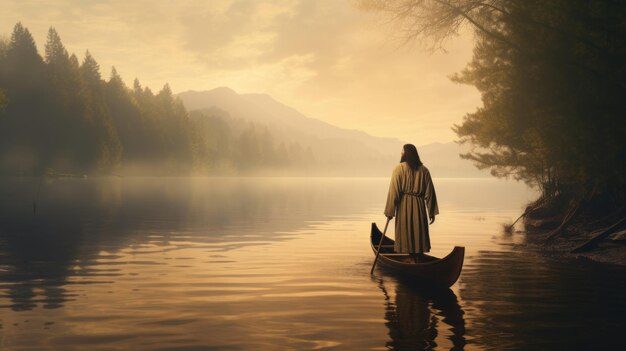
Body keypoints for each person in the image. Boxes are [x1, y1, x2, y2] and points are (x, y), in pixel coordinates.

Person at [384, 144, 439, 262]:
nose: (401, 153)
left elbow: (394, 191)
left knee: (407, 232)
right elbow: (430, 193)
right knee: (418, 232)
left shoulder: (399, 169)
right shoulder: (424, 170)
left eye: (402, 151)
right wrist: (431, 212)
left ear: (406, 154)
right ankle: (417, 259)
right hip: (419, 206)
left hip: (404, 206)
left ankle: (412, 259)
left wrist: (390, 211)